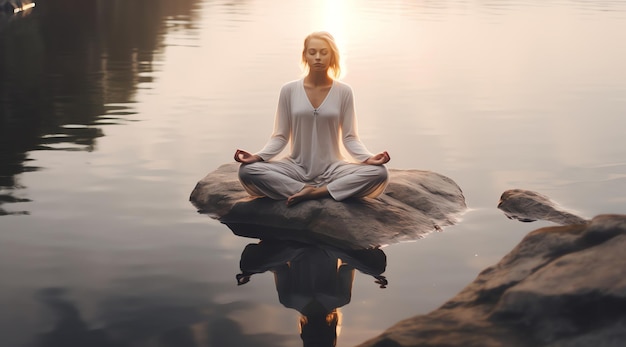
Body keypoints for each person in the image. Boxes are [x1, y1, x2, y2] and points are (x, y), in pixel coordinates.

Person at [235, 31, 390, 207]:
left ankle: (317, 192)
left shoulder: (344, 91)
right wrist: (258, 157)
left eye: (324, 53)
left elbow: (349, 137)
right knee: (247, 171)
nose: (318, 57)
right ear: (305, 55)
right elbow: (280, 136)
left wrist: (368, 158)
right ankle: (304, 188)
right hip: (295, 167)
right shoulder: (289, 90)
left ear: (332, 56)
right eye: (312, 52)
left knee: (380, 173)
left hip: (334, 168)